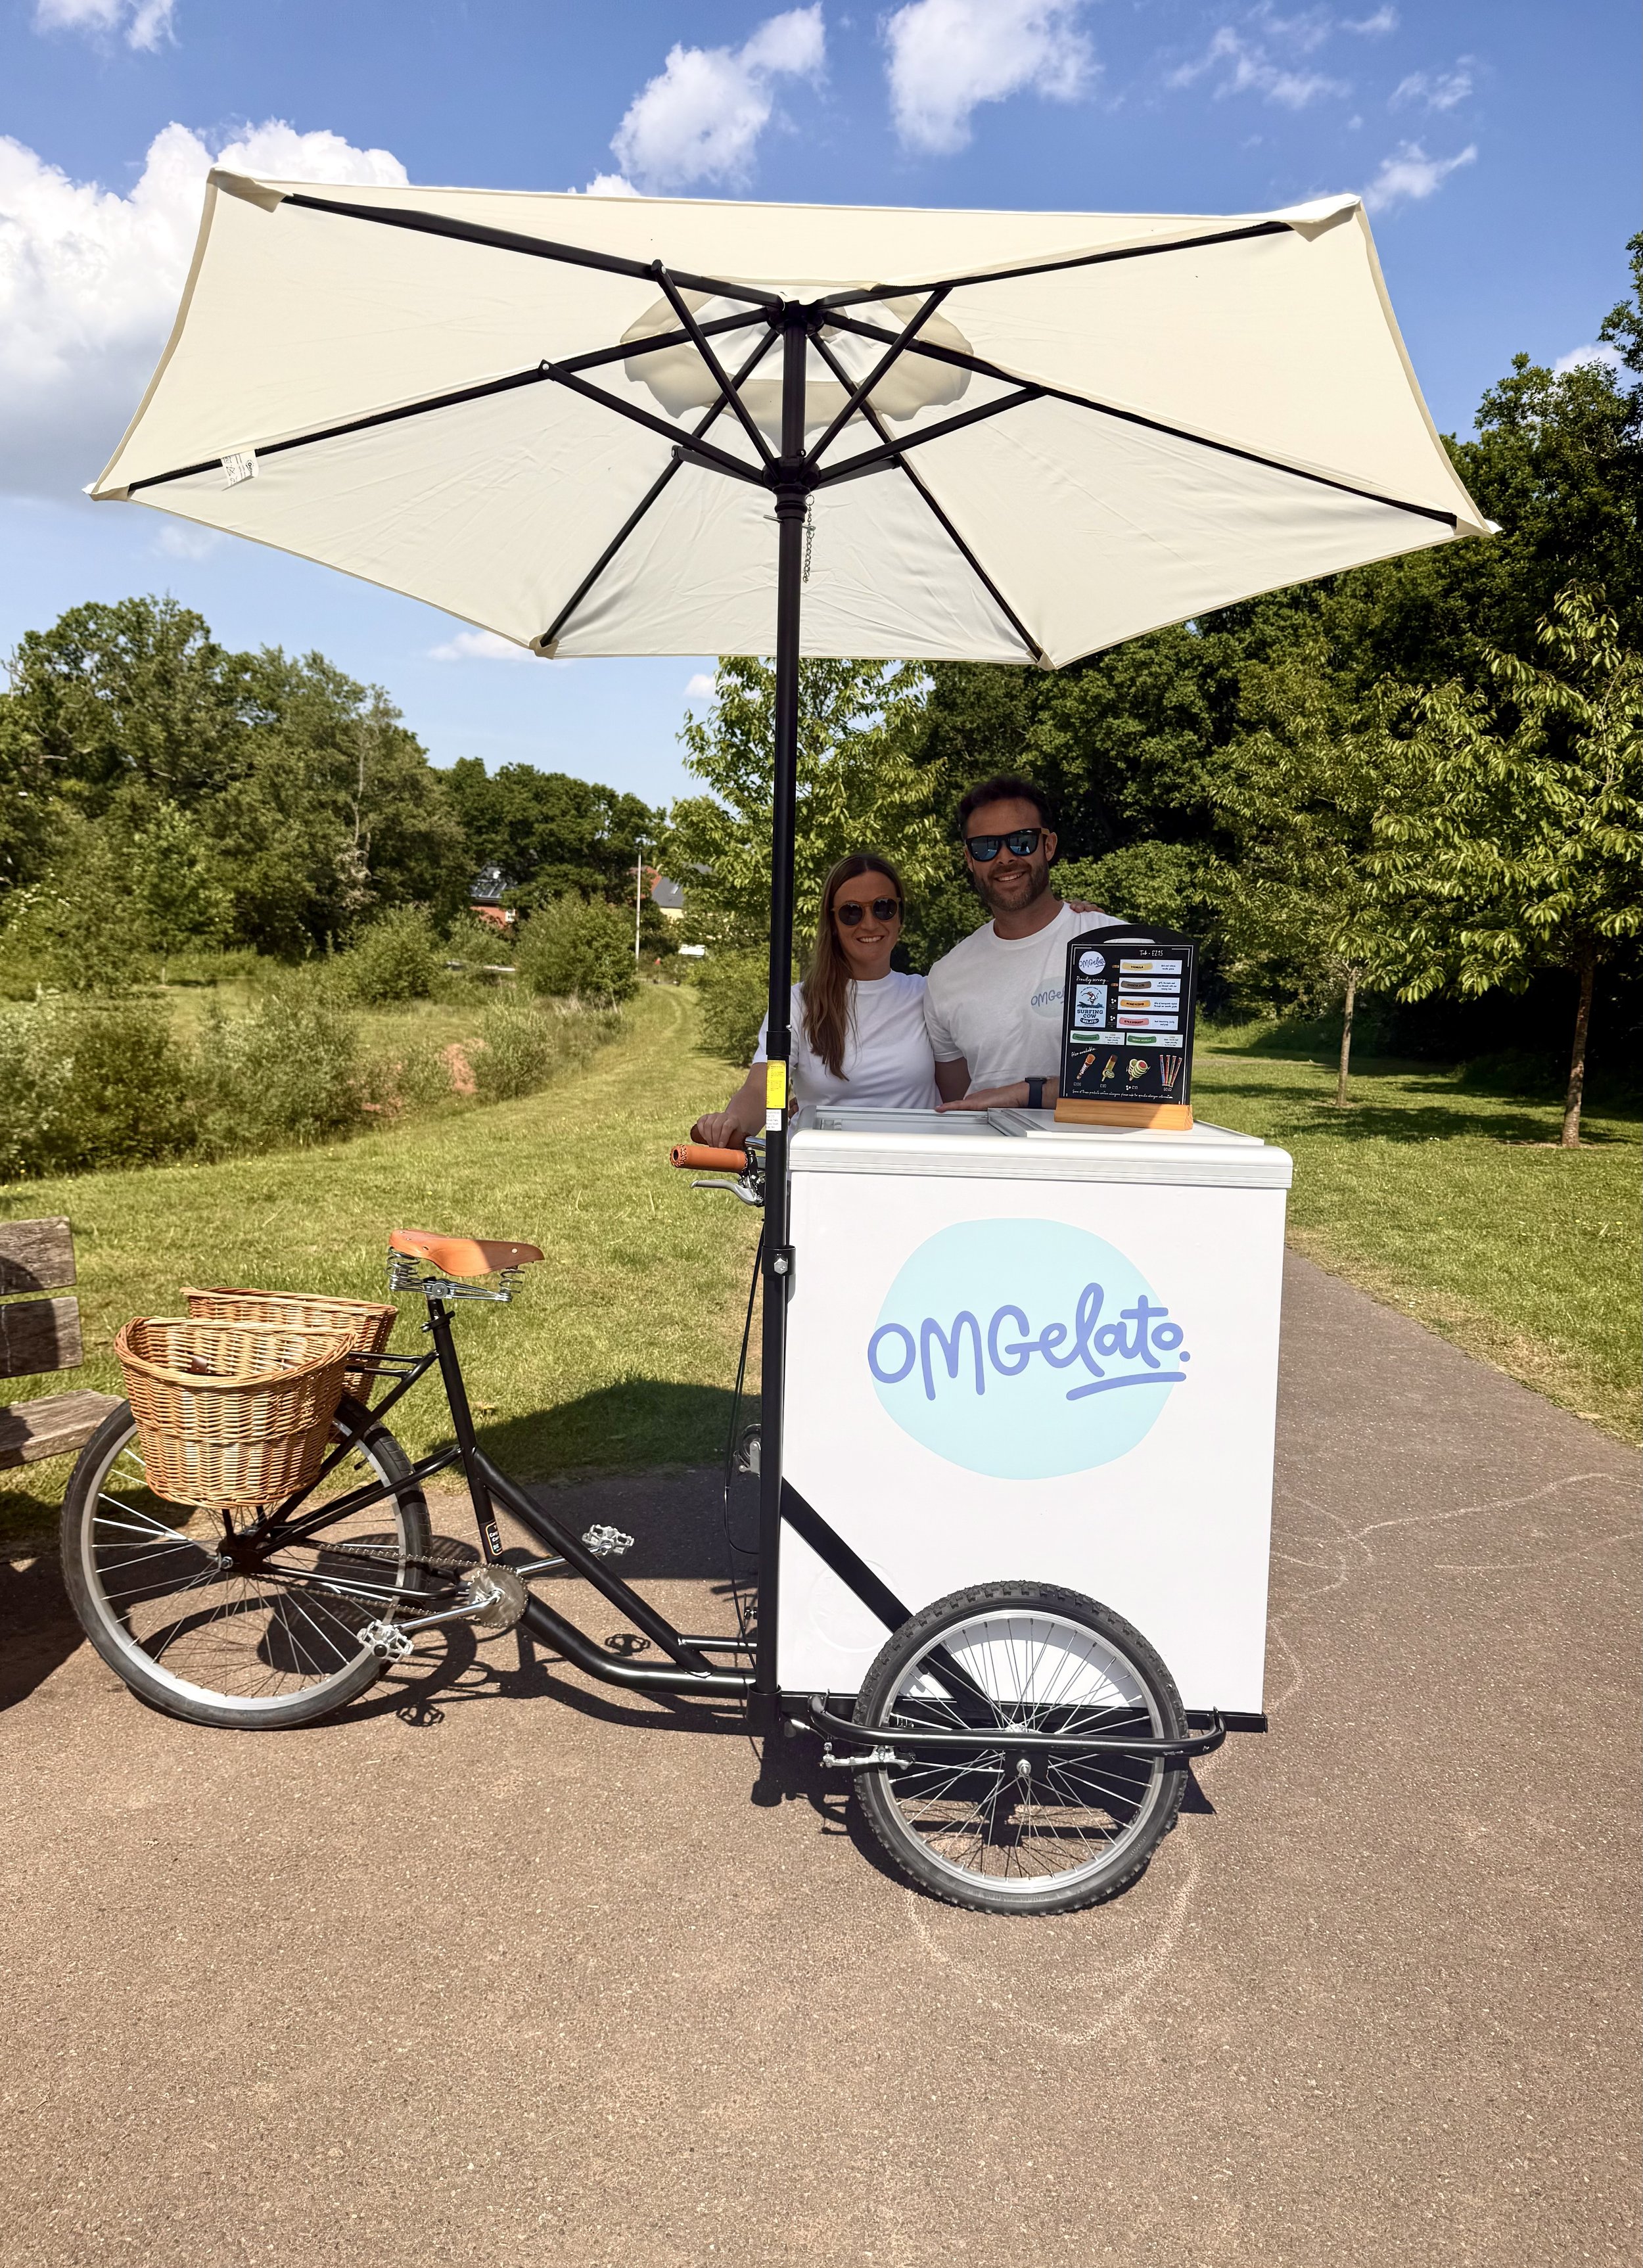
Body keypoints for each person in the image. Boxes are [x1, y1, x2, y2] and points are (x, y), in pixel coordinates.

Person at [689, 853, 938, 1147]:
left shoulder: (928, 994)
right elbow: (766, 1087)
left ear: (900, 917)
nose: (869, 924)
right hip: (819, 1177)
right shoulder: (798, 1002)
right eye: (851, 912)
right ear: (832, 923)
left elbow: (962, 1091)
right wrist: (733, 1120)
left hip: (914, 1175)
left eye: (884, 908)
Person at [924, 775, 1117, 1114]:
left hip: (1096, 1164)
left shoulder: (1117, 946)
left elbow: (1141, 1079)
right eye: (985, 846)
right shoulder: (945, 976)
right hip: (988, 1166)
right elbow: (961, 1101)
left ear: (1049, 846)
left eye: (1022, 841)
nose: (1004, 858)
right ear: (969, 859)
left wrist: (1022, 1095)